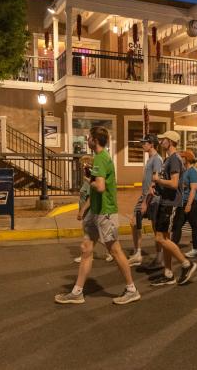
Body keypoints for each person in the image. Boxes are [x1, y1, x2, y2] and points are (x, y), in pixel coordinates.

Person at [55, 126, 140, 305]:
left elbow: (100, 187)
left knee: (115, 250)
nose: (87, 139)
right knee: (86, 249)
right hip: (95, 211)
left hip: (105, 212)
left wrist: (89, 180)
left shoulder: (101, 159)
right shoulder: (99, 158)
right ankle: (77, 292)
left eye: (89, 137)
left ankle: (132, 289)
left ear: (95, 139)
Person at [149, 130, 197, 286]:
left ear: (170, 141)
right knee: (165, 239)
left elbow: (175, 183)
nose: (161, 141)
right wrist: (156, 185)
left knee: (160, 238)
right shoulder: (168, 159)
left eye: (163, 139)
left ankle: (186, 263)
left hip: (170, 204)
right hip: (165, 201)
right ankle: (168, 273)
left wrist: (158, 180)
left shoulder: (175, 159)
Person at [127, 133, 163, 267]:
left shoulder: (157, 160)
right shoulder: (151, 159)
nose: (142, 145)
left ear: (152, 144)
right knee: (134, 222)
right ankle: (137, 253)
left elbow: (155, 182)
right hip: (145, 196)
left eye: (145, 142)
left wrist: (145, 202)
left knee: (156, 228)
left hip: (152, 197)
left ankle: (159, 258)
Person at [73, 155, 113, 264]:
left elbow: (90, 199)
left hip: (90, 211)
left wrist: (81, 212)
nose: (81, 167)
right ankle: (110, 251)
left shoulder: (90, 181)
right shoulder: (87, 179)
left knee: (90, 234)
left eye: (83, 165)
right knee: (94, 234)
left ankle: (87, 255)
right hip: (87, 211)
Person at [171, 150, 197, 258]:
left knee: (194, 225)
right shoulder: (184, 170)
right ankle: (173, 247)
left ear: (187, 159)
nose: (179, 159)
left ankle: (195, 249)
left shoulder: (193, 171)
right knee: (177, 225)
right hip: (183, 201)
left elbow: (194, 189)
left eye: (181, 157)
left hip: (194, 201)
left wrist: (189, 205)